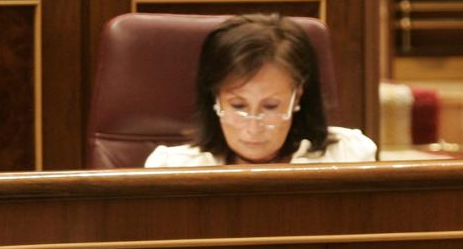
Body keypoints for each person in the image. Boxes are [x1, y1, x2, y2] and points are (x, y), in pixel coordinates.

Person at [145, 13, 377, 167]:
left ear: (298, 97)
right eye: (238, 106)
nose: (253, 127)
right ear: (216, 99)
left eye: (270, 106)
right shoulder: (170, 167)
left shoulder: (348, 156)